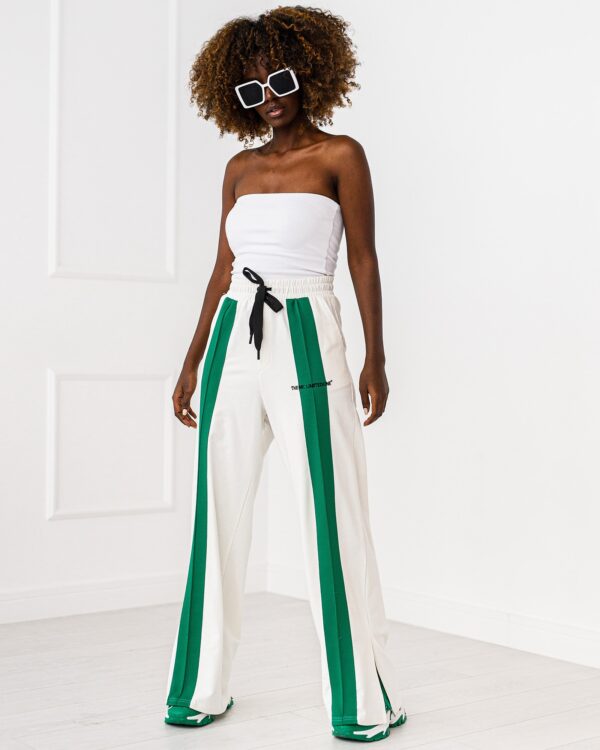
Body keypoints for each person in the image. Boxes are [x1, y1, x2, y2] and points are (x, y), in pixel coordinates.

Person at [163, 6, 408, 743]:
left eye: (279, 79)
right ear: (235, 98)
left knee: (332, 515)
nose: (267, 97)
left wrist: (375, 355)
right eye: (250, 89)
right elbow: (222, 270)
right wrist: (192, 360)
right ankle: (201, 690)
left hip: (307, 331)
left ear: (308, 73)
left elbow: (363, 259)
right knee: (218, 513)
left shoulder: (341, 156)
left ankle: (362, 700)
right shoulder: (239, 170)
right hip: (235, 335)